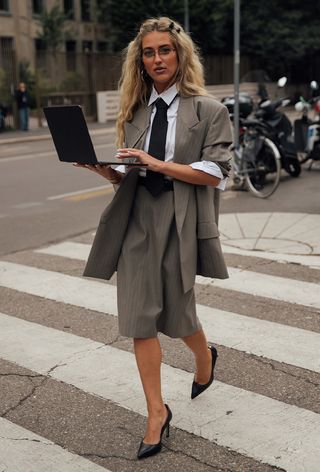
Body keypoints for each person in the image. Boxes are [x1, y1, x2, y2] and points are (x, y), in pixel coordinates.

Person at [75, 17, 232, 460]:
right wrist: (107, 171)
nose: (157, 58)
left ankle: (205, 360)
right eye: (148, 52)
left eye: (164, 50)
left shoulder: (208, 111)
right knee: (139, 318)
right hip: (139, 218)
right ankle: (155, 412)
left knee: (179, 316)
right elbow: (130, 174)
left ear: (180, 55)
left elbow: (216, 172)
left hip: (182, 218)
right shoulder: (136, 111)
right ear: (140, 61)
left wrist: (159, 164)